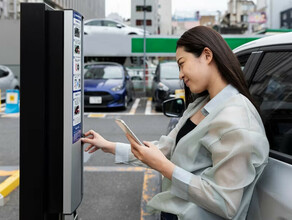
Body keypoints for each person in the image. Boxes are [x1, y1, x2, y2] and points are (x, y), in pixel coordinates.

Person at [81, 26, 269, 220]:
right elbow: (165, 148)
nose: (180, 74)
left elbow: (226, 203)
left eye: (181, 63)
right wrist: (108, 146)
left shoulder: (237, 120)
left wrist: (164, 167)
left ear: (206, 55)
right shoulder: (201, 105)